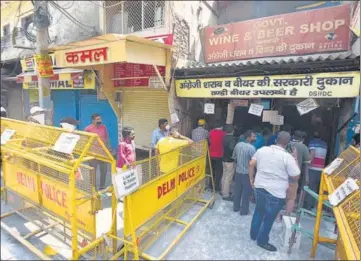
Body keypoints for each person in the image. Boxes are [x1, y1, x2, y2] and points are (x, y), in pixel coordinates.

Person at [249, 131, 300, 252]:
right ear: (288, 143)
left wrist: (251, 179)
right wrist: (295, 157)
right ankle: (262, 241)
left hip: (259, 187)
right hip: (276, 193)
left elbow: (251, 164)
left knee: (258, 211)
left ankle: (253, 234)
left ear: (276, 139)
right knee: (268, 218)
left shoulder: (262, 150)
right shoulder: (287, 157)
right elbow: (296, 176)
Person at [232, 130, 256, 215]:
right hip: (247, 174)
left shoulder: (238, 145)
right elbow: (253, 163)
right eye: (253, 136)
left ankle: (236, 207)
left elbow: (234, 157)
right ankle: (244, 211)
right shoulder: (252, 148)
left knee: (237, 191)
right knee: (246, 193)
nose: (255, 138)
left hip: (238, 172)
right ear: (249, 138)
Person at [85, 113, 110, 190]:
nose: (100, 121)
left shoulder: (103, 127)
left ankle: (102, 187)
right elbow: (85, 141)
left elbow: (106, 139)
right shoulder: (88, 129)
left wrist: (108, 150)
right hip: (92, 154)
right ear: (93, 120)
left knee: (104, 171)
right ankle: (93, 188)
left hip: (102, 153)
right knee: (93, 171)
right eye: (97, 119)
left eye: (100, 119)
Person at [304, 130, 328, 210]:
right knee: (315, 188)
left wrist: (308, 164)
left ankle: (307, 206)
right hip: (321, 169)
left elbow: (312, 155)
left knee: (309, 187)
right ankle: (312, 205)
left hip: (313, 168)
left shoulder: (312, 143)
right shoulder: (325, 144)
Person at [221, 124, 237, 201]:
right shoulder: (233, 139)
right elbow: (231, 149)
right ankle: (226, 195)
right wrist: (233, 156)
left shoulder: (223, 137)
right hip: (229, 160)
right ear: (233, 131)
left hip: (223, 159)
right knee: (228, 178)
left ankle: (223, 191)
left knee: (224, 175)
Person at [208, 122, 226, 191]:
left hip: (211, 154)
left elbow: (209, 142)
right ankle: (216, 186)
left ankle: (210, 184)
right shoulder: (223, 133)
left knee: (212, 170)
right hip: (219, 155)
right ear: (221, 127)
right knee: (218, 171)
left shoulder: (211, 132)